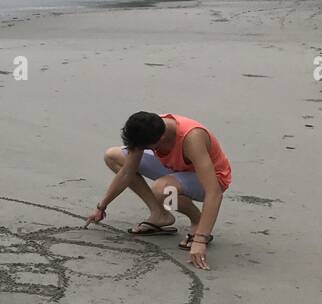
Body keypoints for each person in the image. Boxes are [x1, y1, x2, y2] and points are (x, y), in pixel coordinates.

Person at [85, 111, 232, 271]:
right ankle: (160, 215)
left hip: (211, 179)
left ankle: (196, 220)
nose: (141, 150)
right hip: (176, 169)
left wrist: (200, 240)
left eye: (145, 148)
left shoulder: (192, 138)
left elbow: (214, 193)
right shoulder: (150, 127)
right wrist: (101, 207)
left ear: (159, 140)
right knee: (113, 156)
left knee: (163, 189)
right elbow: (127, 171)